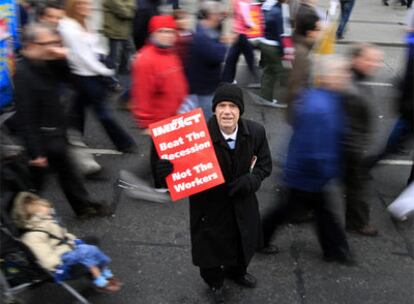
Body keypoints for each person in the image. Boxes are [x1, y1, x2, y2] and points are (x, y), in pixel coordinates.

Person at [158, 84, 272, 303]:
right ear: (214, 110)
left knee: (242, 243)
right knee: (209, 250)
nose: (227, 111)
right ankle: (214, 281)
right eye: (221, 106)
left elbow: (264, 166)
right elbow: (177, 171)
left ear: (240, 111)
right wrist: (166, 173)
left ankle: (237, 272)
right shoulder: (194, 136)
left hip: (242, 204)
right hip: (208, 208)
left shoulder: (256, 132)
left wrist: (252, 179)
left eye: (232, 106)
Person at [261, 56, 354, 265]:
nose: (346, 77)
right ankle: (335, 249)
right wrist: (331, 171)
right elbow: (315, 149)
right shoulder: (321, 107)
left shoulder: (324, 97)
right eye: (341, 73)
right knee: (293, 210)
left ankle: (335, 249)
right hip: (308, 174)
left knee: (316, 211)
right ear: (327, 78)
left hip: (307, 172)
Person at [13, 22, 110, 219]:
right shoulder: (23, 74)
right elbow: (26, 117)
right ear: (31, 45)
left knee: (67, 173)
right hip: (41, 140)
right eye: (47, 43)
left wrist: (62, 58)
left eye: (55, 42)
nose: (53, 47)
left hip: (56, 133)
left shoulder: (47, 62)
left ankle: (83, 206)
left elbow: (71, 81)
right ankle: (22, 220)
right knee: (32, 185)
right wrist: (36, 152)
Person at [59, 0, 136, 153]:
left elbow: (94, 47)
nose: (87, 7)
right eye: (81, 4)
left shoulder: (82, 22)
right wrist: (106, 72)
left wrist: (103, 59)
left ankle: (73, 136)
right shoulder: (69, 27)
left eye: (87, 4)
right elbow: (83, 56)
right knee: (102, 112)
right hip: (84, 75)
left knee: (79, 106)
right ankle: (125, 143)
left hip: (89, 74)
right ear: (73, 6)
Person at [12, 192, 122, 293]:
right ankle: (100, 279)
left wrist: (74, 241)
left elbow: (63, 235)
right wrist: (59, 266)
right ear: (36, 217)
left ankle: (99, 272)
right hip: (61, 263)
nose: (51, 214)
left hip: (68, 250)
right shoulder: (32, 237)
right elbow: (46, 257)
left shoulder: (47, 223)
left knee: (92, 242)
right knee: (88, 252)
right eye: (47, 213)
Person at [131, 15, 188, 189]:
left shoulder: (170, 52)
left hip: (173, 115)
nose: (167, 35)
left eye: (171, 31)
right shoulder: (145, 60)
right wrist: (146, 123)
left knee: (164, 153)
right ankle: (160, 185)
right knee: (161, 154)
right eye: (162, 31)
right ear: (153, 34)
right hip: (158, 119)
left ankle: (154, 180)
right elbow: (141, 94)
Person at [343, 43, 384, 237]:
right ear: (356, 59)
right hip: (353, 149)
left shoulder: (356, 80)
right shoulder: (351, 88)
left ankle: (300, 209)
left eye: (376, 60)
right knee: (358, 185)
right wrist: (359, 151)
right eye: (369, 59)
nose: (374, 64)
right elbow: (348, 125)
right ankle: (357, 222)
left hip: (352, 147)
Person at [187, 1, 232, 120]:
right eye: (218, 14)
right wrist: (224, 44)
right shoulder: (202, 36)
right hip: (203, 90)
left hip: (206, 86)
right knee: (205, 122)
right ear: (210, 15)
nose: (220, 17)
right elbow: (217, 56)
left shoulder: (206, 30)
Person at [286, 11, 321, 121]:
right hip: (302, 113)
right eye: (318, 30)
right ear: (310, 32)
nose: (321, 33)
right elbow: (295, 87)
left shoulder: (304, 46)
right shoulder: (301, 54)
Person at [256, 0, 288, 108]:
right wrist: (283, 50)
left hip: (264, 42)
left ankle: (265, 97)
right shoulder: (278, 11)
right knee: (280, 72)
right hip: (272, 46)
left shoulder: (270, 7)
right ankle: (292, 98)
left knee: (269, 72)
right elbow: (279, 34)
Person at [221, 0, 258, 83]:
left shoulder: (244, 2)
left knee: (236, 58)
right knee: (234, 57)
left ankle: (227, 80)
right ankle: (227, 80)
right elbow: (237, 15)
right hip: (240, 34)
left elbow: (246, 18)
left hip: (242, 34)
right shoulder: (239, 1)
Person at [102, 0, 135, 75]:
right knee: (114, 63)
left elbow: (134, 7)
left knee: (128, 62)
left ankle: (123, 82)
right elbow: (126, 13)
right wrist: (129, 6)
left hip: (126, 33)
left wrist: (127, 6)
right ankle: (112, 83)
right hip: (115, 34)